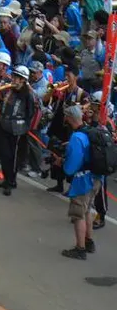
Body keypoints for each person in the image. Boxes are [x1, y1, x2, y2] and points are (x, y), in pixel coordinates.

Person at [60, 104, 99, 259]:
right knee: (88, 210)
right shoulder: (90, 131)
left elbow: (70, 167)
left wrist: (62, 163)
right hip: (96, 177)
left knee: (78, 215)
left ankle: (80, 248)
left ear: (69, 118)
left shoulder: (76, 137)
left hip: (83, 180)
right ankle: (89, 241)